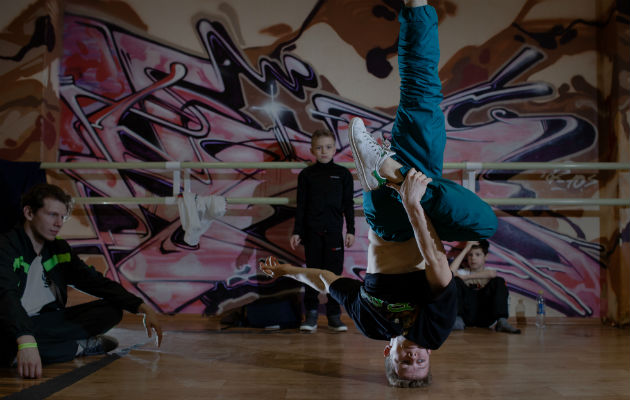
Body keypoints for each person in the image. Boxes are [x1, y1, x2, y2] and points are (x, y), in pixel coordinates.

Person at [263, 0, 498, 387]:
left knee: (457, 210)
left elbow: (325, 282)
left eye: (405, 364)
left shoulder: (371, 323)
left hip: (390, 219)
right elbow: (439, 266)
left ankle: (389, 173)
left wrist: (284, 270)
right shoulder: (434, 332)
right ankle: (417, 6)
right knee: (484, 222)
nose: (415, 356)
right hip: (421, 207)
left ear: (389, 356)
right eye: (421, 363)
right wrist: (414, 201)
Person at [0, 183, 163, 379]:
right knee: (7, 339)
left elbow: (94, 281)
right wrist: (25, 340)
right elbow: (5, 295)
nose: (59, 223)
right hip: (11, 324)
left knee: (110, 310)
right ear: (29, 213)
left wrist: (141, 307)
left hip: (46, 323)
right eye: (52, 215)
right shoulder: (6, 247)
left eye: (62, 217)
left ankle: (26, 351)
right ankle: (77, 347)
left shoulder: (59, 249)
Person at [290, 129, 355, 332]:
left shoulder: (343, 175)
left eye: (328, 147)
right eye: (319, 148)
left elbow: (348, 205)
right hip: (312, 234)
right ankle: (310, 315)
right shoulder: (306, 175)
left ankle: (334, 315)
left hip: (335, 233)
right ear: (312, 150)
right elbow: (301, 206)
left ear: (334, 149)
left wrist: (350, 230)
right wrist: (297, 231)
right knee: (312, 274)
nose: (323, 151)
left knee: (333, 276)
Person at [449, 240, 520, 333]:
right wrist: (466, 249)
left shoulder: (488, 272)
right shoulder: (462, 272)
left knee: (499, 281)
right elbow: (450, 273)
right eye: (470, 255)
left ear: (485, 257)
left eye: (478, 254)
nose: (473, 258)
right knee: (455, 281)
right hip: (465, 316)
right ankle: (457, 320)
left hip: (485, 315)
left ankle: (502, 321)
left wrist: (466, 277)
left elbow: (492, 274)